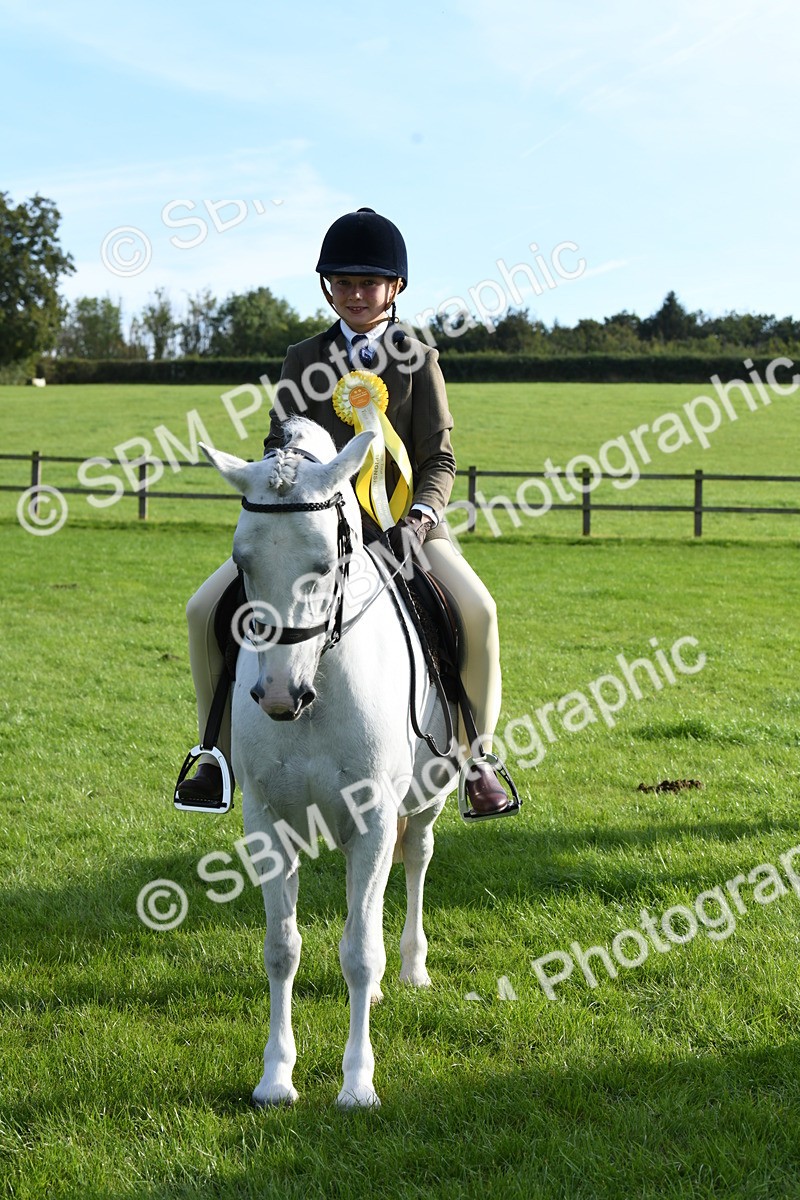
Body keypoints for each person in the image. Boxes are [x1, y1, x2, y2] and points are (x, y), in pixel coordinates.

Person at [176, 207, 514, 817]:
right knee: (204, 610)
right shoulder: (303, 358)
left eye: (369, 283)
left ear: (395, 288)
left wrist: (422, 519)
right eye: (343, 282)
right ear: (327, 286)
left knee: (479, 611)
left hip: (402, 529)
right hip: (311, 531)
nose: (356, 294)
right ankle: (215, 755)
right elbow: (278, 453)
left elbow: (438, 458)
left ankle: (478, 759)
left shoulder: (419, 356)